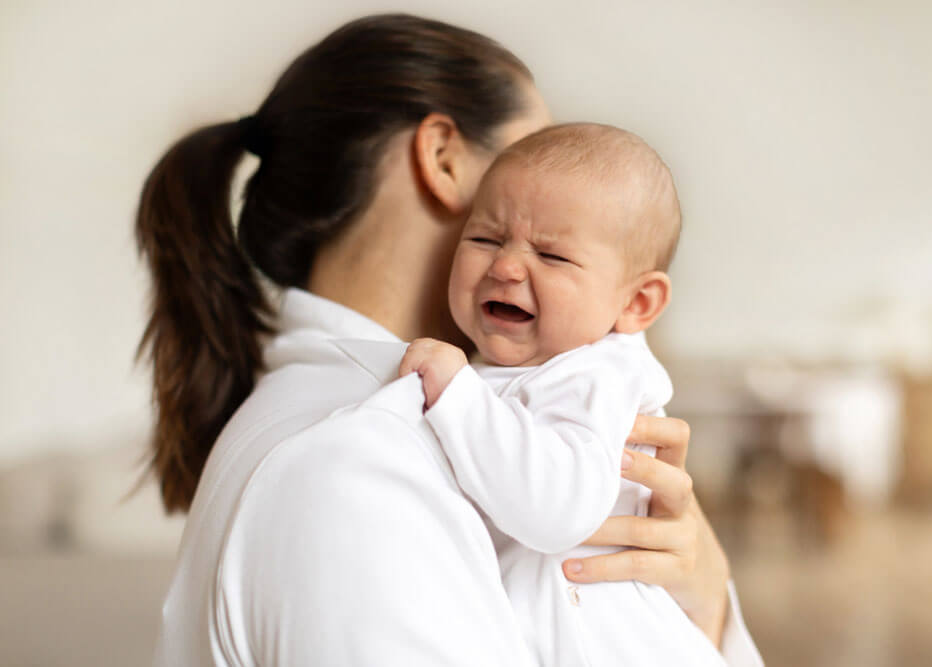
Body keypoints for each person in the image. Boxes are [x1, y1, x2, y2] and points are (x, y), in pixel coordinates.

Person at [135, 13, 760, 666]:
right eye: (531, 151)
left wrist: (704, 595)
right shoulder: (358, 463)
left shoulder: (375, 423)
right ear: (443, 158)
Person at [397, 123, 740, 666]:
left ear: (637, 304)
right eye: (484, 238)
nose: (506, 266)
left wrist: (458, 394)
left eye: (552, 257)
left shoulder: (597, 375)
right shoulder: (542, 365)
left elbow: (556, 510)